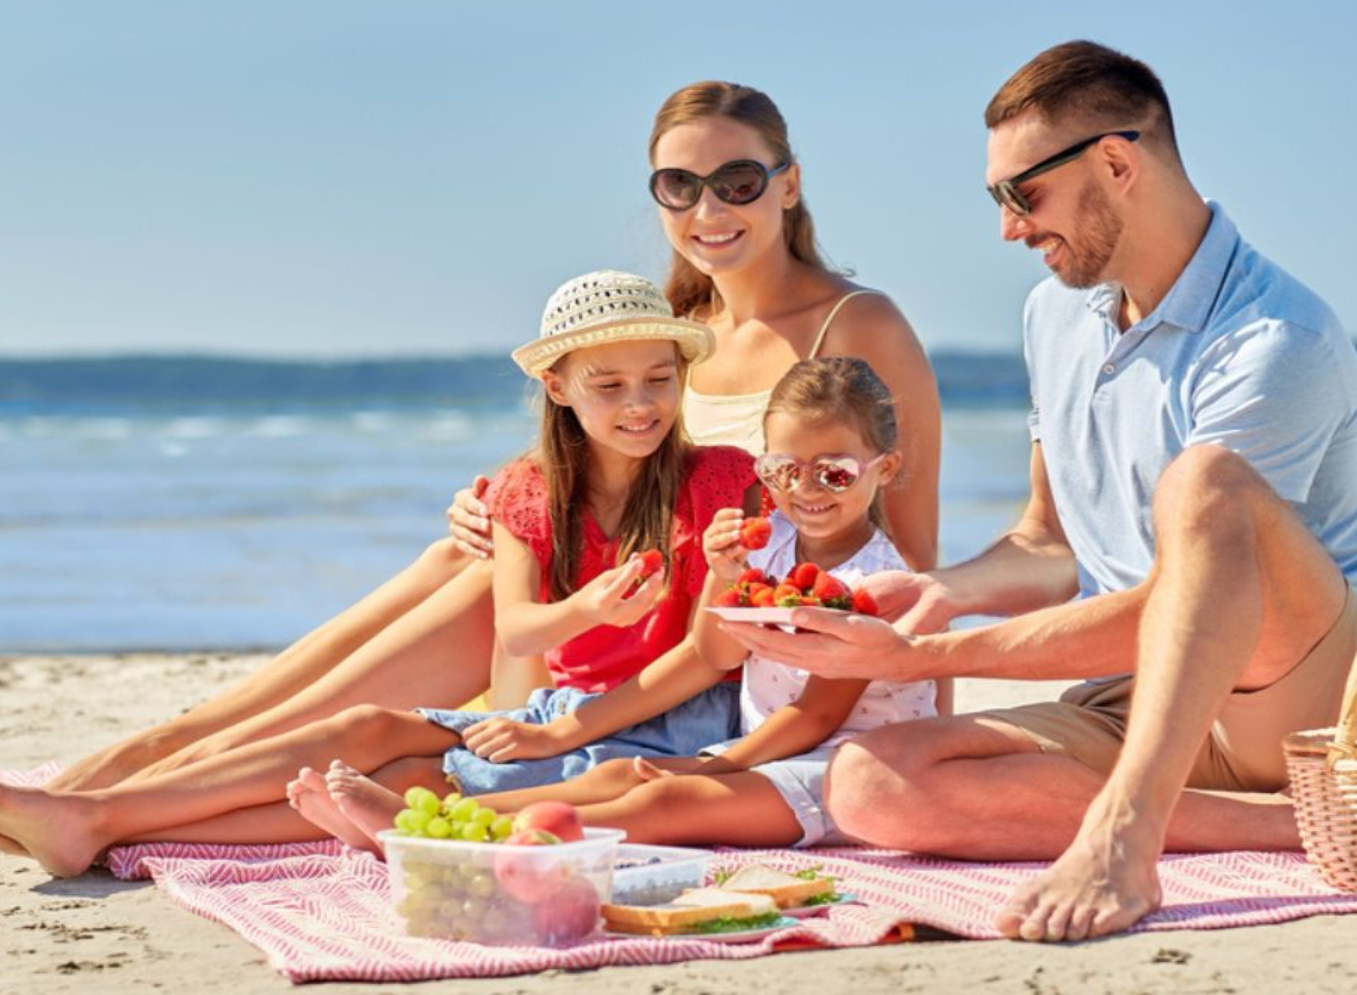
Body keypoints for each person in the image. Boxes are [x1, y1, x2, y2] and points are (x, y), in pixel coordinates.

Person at [0, 80, 941, 802]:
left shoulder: (856, 326)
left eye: (737, 180)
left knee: (429, 639)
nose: (709, 208)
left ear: (789, 183)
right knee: (465, 542)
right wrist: (499, 501)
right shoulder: (680, 318)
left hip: (691, 627)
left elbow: (906, 556)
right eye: (678, 184)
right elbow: (603, 447)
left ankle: (162, 770)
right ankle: (166, 749)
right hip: (627, 593)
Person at [723, 40, 1357, 942]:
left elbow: (1200, 604)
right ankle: (1283, 826)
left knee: (1202, 485)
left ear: (1117, 163)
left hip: (1301, 700)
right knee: (865, 781)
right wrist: (934, 600)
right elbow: (1050, 544)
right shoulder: (1054, 315)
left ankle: (1127, 831)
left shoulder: (1275, 341)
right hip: (1135, 698)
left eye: (1023, 194)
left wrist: (922, 662)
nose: (1009, 227)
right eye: (997, 199)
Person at [0, 271, 761, 876]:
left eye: (659, 379)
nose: (640, 404)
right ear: (557, 386)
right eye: (609, 385)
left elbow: (708, 659)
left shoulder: (718, 479)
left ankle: (106, 824)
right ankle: (95, 815)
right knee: (363, 728)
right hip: (561, 708)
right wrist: (582, 612)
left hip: (659, 722)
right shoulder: (526, 489)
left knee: (407, 776)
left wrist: (565, 727)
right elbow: (515, 630)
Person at [301, 356, 935, 850]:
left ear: (885, 468)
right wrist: (723, 572)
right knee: (620, 775)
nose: (806, 490)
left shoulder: (879, 582)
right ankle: (433, 827)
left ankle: (424, 830)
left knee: (658, 806)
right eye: (782, 470)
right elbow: (712, 651)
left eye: (835, 473)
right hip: (766, 749)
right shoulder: (773, 545)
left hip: (847, 771)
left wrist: (705, 764)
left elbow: (816, 719)